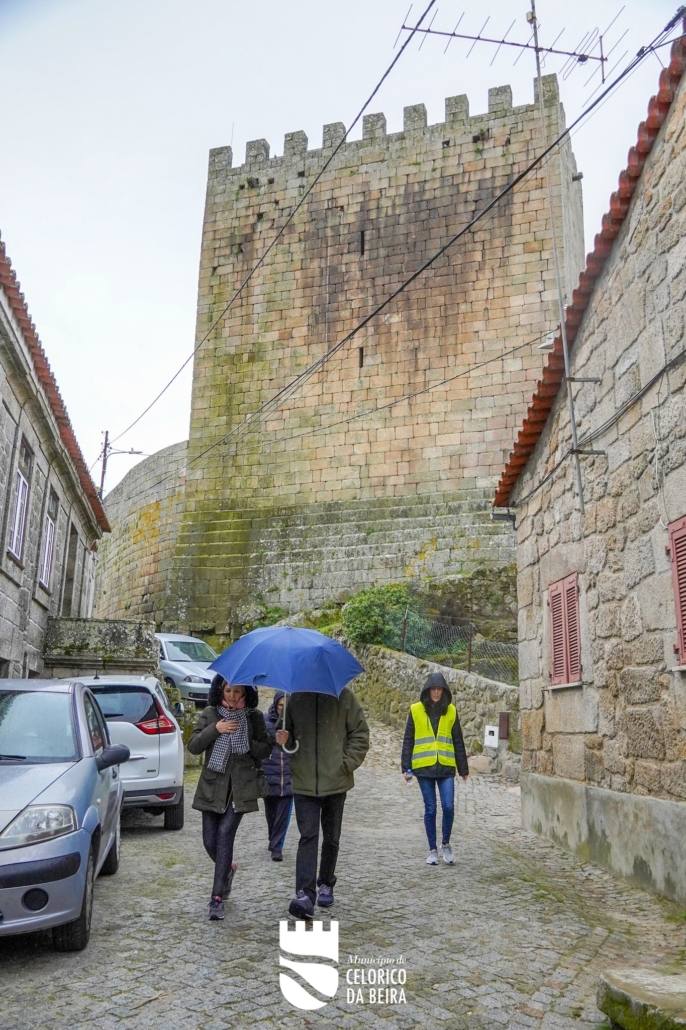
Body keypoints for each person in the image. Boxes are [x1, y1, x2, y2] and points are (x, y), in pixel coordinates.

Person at [275, 687, 369, 919]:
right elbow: (284, 735)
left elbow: (360, 734)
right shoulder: (295, 698)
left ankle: (326, 882)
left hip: (335, 783)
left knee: (331, 837)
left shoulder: (344, 697)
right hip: (304, 782)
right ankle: (305, 895)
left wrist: (344, 765)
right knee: (308, 836)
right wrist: (283, 738)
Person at [188, 675, 271, 921]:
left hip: (240, 788)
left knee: (225, 835)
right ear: (220, 691)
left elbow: (265, 750)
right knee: (209, 841)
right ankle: (228, 868)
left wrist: (248, 744)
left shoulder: (254, 717)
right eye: (228, 690)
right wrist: (216, 729)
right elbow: (193, 746)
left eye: (237, 691)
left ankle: (216, 899)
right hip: (212, 787)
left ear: (246, 694)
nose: (232, 696)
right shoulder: (212, 713)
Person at [401, 671, 469, 865]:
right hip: (423, 767)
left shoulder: (452, 711)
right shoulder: (415, 710)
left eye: (440, 689)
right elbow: (408, 739)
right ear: (428, 690)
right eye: (434, 689)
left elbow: (458, 740)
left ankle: (445, 843)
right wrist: (405, 767)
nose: (437, 692)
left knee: (448, 806)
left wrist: (463, 768)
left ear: (444, 691)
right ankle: (432, 850)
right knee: (430, 808)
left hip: (446, 766)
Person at [262, 691, 293, 861]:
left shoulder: (296, 723)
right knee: (271, 813)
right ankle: (272, 837)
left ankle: (276, 847)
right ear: (275, 705)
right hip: (269, 775)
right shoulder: (265, 721)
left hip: (289, 777)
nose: (284, 709)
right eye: (281, 705)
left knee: (283, 814)